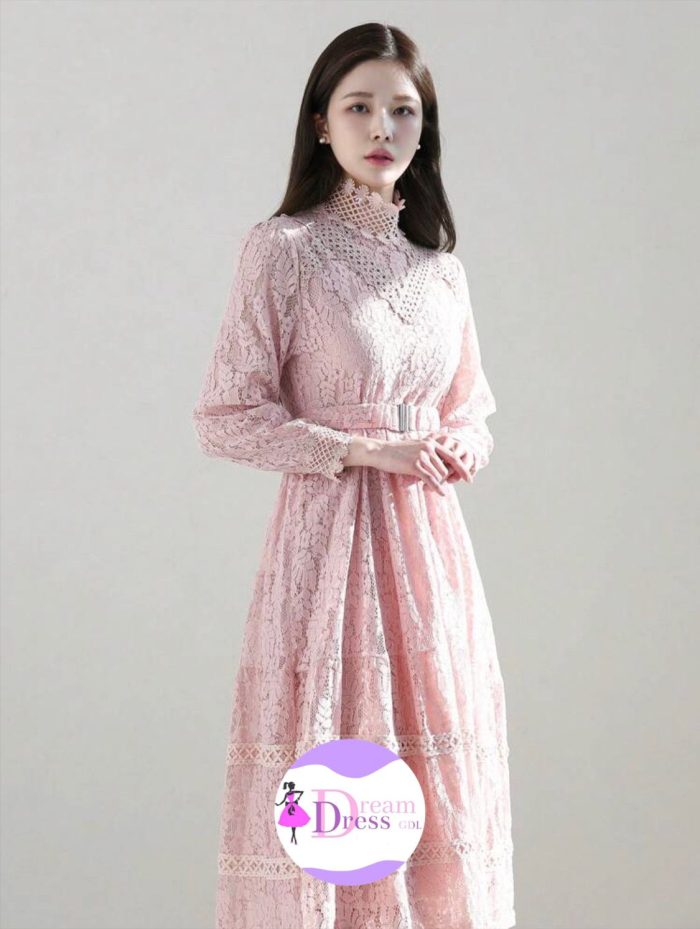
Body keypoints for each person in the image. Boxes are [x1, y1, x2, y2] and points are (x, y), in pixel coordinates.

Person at [192, 21, 515, 929]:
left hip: (430, 556)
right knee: (341, 768)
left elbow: (472, 407)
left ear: (424, 129)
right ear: (321, 123)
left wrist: (461, 444)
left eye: (403, 111)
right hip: (329, 549)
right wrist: (370, 448)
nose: (382, 127)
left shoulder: (441, 271)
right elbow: (226, 414)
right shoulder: (284, 250)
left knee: (436, 771)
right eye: (360, 106)